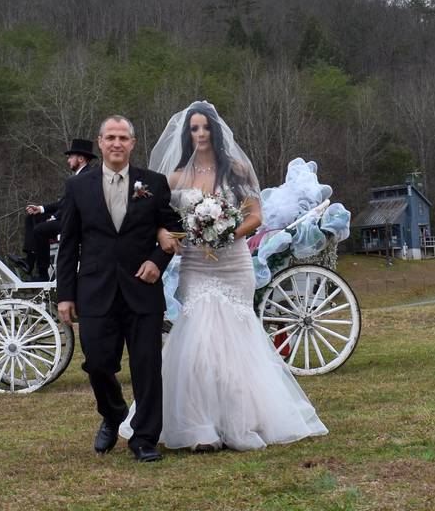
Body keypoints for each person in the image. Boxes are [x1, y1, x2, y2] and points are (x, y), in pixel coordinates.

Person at [121, 100, 327, 452]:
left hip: (233, 263)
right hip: (197, 266)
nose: (200, 134)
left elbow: (255, 216)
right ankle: (201, 426)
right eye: (194, 129)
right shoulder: (175, 178)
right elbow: (157, 218)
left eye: (205, 128)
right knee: (200, 346)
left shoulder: (237, 169)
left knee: (235, 343)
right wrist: (167, 236)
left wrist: (225, 232)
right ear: (187, 135)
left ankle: (243, 419)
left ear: (215, 132)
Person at [56, 115, 182, 462]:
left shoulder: (153, 183)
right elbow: (68, 244)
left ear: (132, 143)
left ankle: (144, 439)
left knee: (146, 366)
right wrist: (65, 294)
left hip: (142, 290)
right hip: (95, 289)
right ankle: (113, 413)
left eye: (123, 138)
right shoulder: (77, 186)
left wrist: (158, 260)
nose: (116, 143)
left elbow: (174, 228)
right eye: (110, 137)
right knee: (97, 362)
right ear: (100, 142)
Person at [12, 138, 96, 281]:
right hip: (68, 217)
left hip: (77, 223)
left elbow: (74, 204)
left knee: (40, 230)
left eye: (70, 157)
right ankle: (30, 260)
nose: (68, 160)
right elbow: (63, 202)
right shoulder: (79, 176)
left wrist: (56, 217)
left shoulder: (87, 177)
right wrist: (40, 209)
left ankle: (43, 273)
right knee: (32, 218)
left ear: (81, 158)